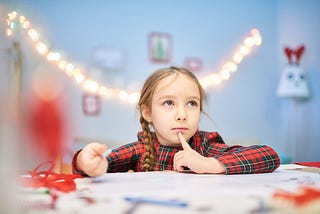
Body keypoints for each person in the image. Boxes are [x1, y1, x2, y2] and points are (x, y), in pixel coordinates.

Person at [72, 66, 280, 176]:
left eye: (191, 103)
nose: (182, 114)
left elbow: (269, 155)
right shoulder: (142, 149)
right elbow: (102, 163)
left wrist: (210, 164)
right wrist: (85, 161)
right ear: (148, 113)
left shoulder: (205, 146)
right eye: (169, 103)